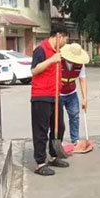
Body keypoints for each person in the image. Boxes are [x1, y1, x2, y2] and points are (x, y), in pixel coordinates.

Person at [30, 26, 69, 176]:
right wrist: (51, 60)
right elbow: (34, 70)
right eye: (66, 39)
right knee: (41, 130)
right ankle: (40, 163)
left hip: (56, 96)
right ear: (59, 36)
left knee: (59, 127)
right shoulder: (41, 50)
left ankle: (53, 156)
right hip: (41, 96)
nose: (66, 42)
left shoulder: (57, 52)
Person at [59, 43, 90, 148]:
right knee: (58, 119)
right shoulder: (59, 62)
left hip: (71, 93)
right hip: (58, 94)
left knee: (75, 116)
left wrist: (85, 98)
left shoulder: (80, 64)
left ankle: (75, 139)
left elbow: (82, 80)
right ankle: (58, 141)